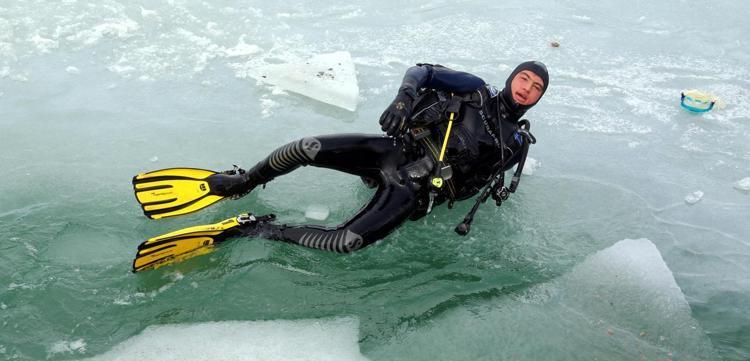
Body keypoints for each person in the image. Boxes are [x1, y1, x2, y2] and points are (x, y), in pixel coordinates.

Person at [132, 61, 548, 270]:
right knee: (306, 146)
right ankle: (243, 181)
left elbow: (475, 187)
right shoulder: (475, 91)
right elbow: (422, 71)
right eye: (525, 78)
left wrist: (428, 204)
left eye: (536, 87)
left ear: (538, 98)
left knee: (345, 242)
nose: (527, 88)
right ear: (514, 76)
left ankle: (253, 228)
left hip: (413, 192)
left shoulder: (513, 142)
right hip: (394, 152)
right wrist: (403, 99)